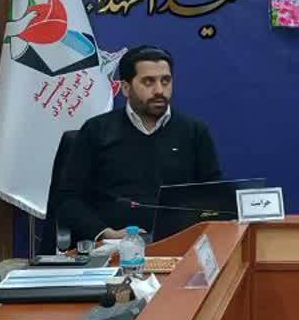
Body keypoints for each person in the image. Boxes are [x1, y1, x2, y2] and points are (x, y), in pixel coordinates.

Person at [55, 46, 223, 242]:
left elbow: (214, 196)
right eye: (148, 82)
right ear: (126, 88)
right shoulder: (96, 131)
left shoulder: (194, 132)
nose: (159, 90)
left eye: (165, 81)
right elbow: (69, 200)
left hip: (178, 244)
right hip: (112, 245)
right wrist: (106, 234)